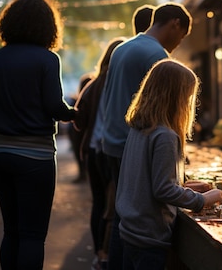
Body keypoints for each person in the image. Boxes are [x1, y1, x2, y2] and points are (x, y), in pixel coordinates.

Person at [0, 0, 76, 270]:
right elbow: (54, 106)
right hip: (35, 157)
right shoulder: (47, 59)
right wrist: (73, 114)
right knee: (32, 235)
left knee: (12, 231)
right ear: (48, 27)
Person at [99, 2, 191, 269]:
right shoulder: (157, 56)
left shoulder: (122, 48)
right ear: (175, 23)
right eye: (182, 35)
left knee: (123, 213)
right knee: (137, 218)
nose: (179, 43)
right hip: (134, 145)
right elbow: (166, 105)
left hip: (115, 142)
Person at [116, 59, 222, 270]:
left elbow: (149, 180)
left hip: (132, 229)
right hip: (149, 235)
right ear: (177, 97)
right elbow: (162, 190)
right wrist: (202, 200)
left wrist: (183, 186)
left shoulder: (140, 129)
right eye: (188, 97)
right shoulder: (165, 136)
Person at [74, 37, 127, 270]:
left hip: (94, 151)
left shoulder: (93, 84)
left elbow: (79, 117)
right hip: (113, 152)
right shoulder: (122, 83)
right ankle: (110, 255)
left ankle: (99, 253)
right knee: (115, 205)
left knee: (98, 203)